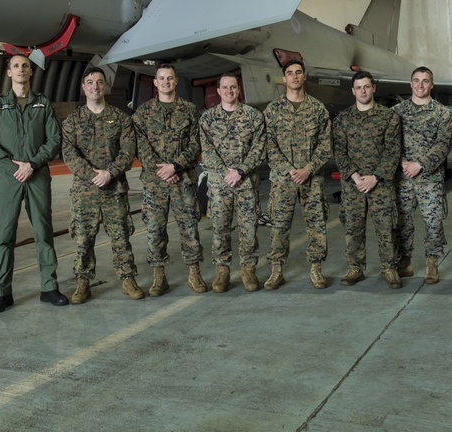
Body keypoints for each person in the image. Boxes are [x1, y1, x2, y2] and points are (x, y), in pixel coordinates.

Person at [0, 54, 68, 313]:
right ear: (9, 73)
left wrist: (33, 164)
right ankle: (2, 293)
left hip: (37, 175)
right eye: (16, 66)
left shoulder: (42, 104)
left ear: (31, 72)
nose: (21, 70)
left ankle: (49, 288)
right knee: (5, 235)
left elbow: (54, 139)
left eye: (25, 66)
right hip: (9, 179)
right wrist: (11, 166)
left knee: (43, 231)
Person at [62, 67, 145, 303]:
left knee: (121, 237)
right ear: (83, 87)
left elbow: (128, 152)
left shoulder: (121, 119)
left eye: (99, 82)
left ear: (105, 86)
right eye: (90, 82)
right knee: (83, 240)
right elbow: (70, 155)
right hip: (85, 192)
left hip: (114, 190)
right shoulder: (72, 122)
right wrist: (92, 175)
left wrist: (110, 173)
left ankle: (128, 279)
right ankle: (82, 283)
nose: (95, 87)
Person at [132, 63, 207, 295]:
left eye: (170, 78)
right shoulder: (143, 113)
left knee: (190, 228)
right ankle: (159, 276)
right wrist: (162, 171)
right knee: (155, 230)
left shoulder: (190, 110)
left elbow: (196, 144)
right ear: (155, 83)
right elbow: (140, 146)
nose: (165, 82)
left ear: (176, 82)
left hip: (183, 181)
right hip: (155, 184)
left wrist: (175, 166)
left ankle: (194, 273)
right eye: (161, 78)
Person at [263, 59, 332, 290]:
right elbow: (268, 145)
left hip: (311, 179)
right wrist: (288, 169)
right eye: (290, 73)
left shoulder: (317, 109)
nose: (294, 77)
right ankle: (276, 271)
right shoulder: (272, 110)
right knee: (279, 226)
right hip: (283, 180)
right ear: (284, 79)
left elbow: (325, 144)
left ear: (304, 77)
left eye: (298, 72)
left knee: (316, 225)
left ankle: (316, 269)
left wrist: (308, 168)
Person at [333, 71, 403, 288]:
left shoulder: (389, 117)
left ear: (373, 88)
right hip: (353, 185)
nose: (363, 91)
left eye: (366, 86)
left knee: (386, 227)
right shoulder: (343, 119)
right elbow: (339, 151)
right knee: (353, 228)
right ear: (353, 91)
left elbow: (393, 151)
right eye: (359, 87)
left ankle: (389, 268)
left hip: (380, 184)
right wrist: (355, 176)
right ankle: (355, 268)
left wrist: (375, 177)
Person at [199, 73, 267, 293]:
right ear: (218, 91)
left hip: (246, 184)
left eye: (233, 87)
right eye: (224, 87)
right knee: (220, 229)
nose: (229, 91)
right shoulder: (207, 119)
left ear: (239, 90)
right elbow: (206, 151)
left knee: (249, 229)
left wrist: (240, 171)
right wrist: (224, 172)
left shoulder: (253, 117)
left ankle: (248, 270)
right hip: (219, 186)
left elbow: (259, 148)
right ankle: (222, 271)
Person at [393, 66, 452, 284]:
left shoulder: (442, 113)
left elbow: (444, 144)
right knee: (402, 222)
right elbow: (390, 143)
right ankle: (405, 261)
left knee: (433, 222)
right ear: (410, 84)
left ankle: (432, 263)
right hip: (403, 178)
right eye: (416, 81)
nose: (420, 85)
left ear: (432, 84)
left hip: (430, 178)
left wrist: (420, 164)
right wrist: (402, 164)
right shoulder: (397, 112)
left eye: (425, 81)